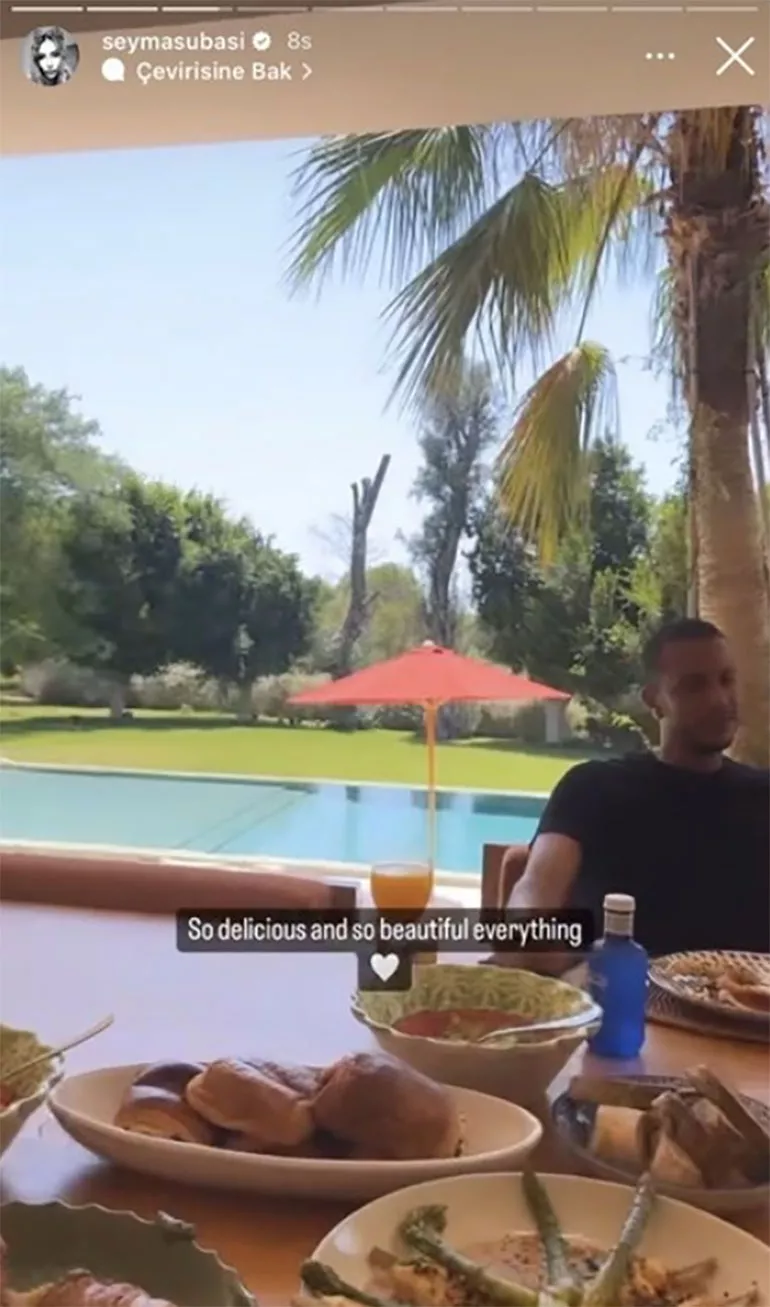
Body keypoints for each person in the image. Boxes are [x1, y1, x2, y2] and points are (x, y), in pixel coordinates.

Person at [503, 618, 769, 965]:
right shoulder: (593, 788)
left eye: (726, 680)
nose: (719, 699)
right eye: (694, 686)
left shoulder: (762, 796)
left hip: (748, 997)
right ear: (654, 700)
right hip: (616, 993)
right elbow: (535, 892)